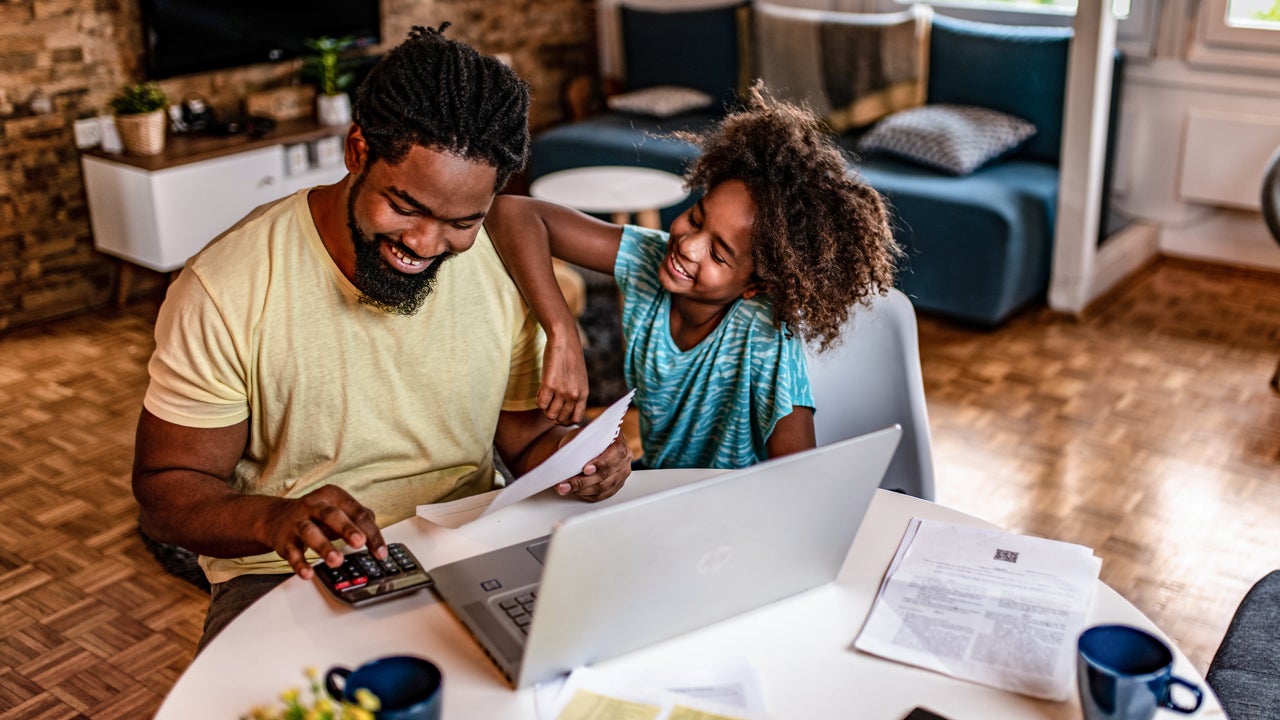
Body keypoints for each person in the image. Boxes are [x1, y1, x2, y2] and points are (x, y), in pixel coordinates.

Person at [131, 24, 632, 650]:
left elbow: (525, 436)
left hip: (467, 539)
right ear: (357, 149)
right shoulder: (226, 287)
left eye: (461, 222)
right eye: (405, 206)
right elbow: (166, 489)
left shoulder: (503, 264)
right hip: (285, 573)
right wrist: (274, 517)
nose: (424, 245)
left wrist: (574, 458)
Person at [488, 83, 901, 469]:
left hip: (731, 512)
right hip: (662, 487)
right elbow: (513, 213)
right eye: (696, 218)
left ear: (756, 286)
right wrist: (562, 331)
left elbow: (798, 477)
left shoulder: (765, 341)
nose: (688, 246)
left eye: (718, 253)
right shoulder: (646, 257)